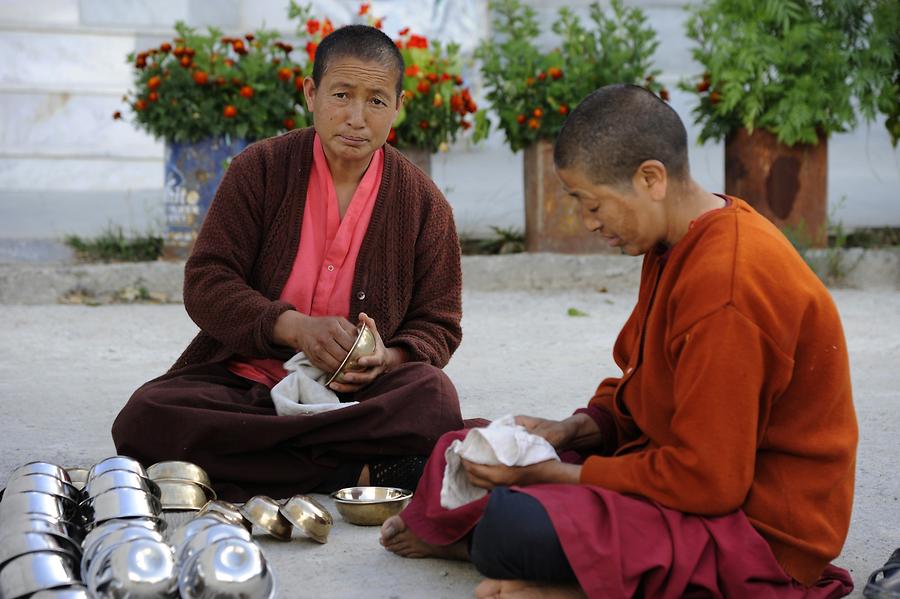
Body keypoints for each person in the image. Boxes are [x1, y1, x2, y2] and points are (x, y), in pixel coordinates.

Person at [380, 84, 858, 599]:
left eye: (592, 203)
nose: (589, 224)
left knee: (513, 524)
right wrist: (574, 430)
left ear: (650, 178)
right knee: (462, 446)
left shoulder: (729, 284)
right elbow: (644, 382)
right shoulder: (674, 238)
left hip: (755, 525)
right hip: (679, 478)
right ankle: (550, 563)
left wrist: (547, 477)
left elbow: (710, 484)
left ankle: (566, 583)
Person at [112, 25, 469, 501]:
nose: (357, 118)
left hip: (354, 396)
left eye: (377, 101)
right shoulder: (258, 170)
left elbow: (439, 323)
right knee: (147, 415)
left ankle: (259, 465)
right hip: (247, 381)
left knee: (433, 398)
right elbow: (206, 281)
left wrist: (390, 357)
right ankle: (354, 471)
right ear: (310, 93)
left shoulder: (423, 204)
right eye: (341, 94)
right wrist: (295, 328)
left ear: (399, 106)